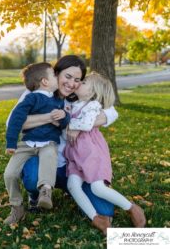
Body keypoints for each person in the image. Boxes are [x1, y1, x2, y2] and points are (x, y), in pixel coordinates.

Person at [7, 55, 118, 232]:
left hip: (72, 166)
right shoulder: (35, 93)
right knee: (32, 178)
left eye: (77, 80)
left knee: (105, 210)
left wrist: (79, 126)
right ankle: (35, 194)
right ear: (55, 74)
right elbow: (11, 122)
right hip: (43, 157)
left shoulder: (77, 97)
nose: (72, 83)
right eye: (67, 77)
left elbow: (112, 112)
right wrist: (51, 117)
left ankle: (70, 189)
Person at [64, 72, 146, 235]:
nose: (80, 83)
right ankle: (96, 218)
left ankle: (132, 208)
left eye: (85, 82)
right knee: (72, 185)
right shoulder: (73, 104)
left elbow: (86, 125)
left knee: (97, 188)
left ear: (93, 93)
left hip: (91, 153)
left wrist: (69, 124)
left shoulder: (92, 105)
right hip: (74, 154)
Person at [4, 62, 70, 225]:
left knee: (49, 156)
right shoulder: (30, 98)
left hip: (48, 142)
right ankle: (17, 207)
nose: (57, 78)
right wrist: (11, 143)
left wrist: (63, 116)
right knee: (9, 174)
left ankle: (46, 192)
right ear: (45, 81)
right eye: (54, 75)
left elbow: (64, 122)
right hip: (27, 144)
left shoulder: (58, 100)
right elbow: (16, 119)